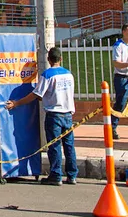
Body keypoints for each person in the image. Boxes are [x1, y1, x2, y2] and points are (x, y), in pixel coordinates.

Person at [6, 47, 77, 186]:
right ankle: (72, 175)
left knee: (54, 146)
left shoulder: (47, 75)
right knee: (69, 146)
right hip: (68, 114)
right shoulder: (69, 74)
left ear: (49, 60)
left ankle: (56, 175)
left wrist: (17, 103)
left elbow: (36, 95)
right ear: (60, 59)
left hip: (54, 115)